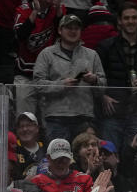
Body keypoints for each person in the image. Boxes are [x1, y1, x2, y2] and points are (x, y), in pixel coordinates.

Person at [32, 14, 106, 143]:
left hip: (84, 118)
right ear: (60, 30)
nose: (73, 31)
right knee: (58, 160)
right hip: (56, 118)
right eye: (68, 28)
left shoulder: (92, 55)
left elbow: (103, 88)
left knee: (86, 159)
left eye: (76, 28)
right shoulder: (46, 54)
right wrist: (61, 85)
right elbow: (37, 84)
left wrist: (94, 80)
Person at [96, 2, 137, 152]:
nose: (130, 21)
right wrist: (102, 96)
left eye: (134, 17)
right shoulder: (105, 46)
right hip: (111, 114)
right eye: (126, 18)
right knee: (108, 155)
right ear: (120, 21)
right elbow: (96, 77)